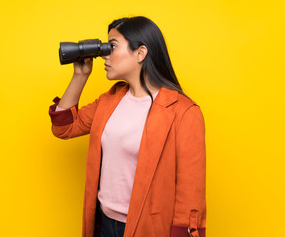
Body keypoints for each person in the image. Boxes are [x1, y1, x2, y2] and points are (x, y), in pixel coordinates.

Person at [49, 16, 206, 237]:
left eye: (112, 46)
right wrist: (79, 75)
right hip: (103, 224)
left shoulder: (183, 111)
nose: (105, 54)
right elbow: (63, 128)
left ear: (141, 53)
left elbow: (191, 192)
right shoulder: (109, 101)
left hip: (147, 229)